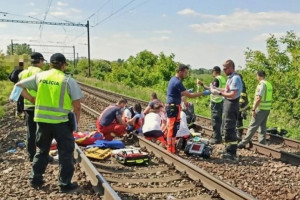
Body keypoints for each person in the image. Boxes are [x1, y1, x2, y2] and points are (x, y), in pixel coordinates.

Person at [16, 53, 83, 192]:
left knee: (41, 151)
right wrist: (76, 123)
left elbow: (18, 86)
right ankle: (64, 184)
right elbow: (77, 106)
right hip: (61, 123)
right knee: (65, 153)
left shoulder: (40, 76)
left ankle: (35, 180)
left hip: (42, 122)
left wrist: (31, 99)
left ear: (50, 64)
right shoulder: (68, 80)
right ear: (63, 65)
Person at [166, 64, 210, 154]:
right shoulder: (177, 82)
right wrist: (203, 93)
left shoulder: (174, 80)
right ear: (180, 72)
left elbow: (178, 94)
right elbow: (190, 96)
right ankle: (170, 148)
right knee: (172, 128)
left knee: (174, 129)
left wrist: (184, 93)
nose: (186, 74)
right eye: (185, 72)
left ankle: (172, 147)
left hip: (174, 107)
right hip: (173, 107)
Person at [211, 60, 243, 160]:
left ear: (231, 68)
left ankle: (232, 153)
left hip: (232, 104)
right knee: (226, 127)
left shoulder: (236, 78)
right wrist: (216, 89)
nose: (223, 70)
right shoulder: (230, 78)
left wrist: (219, 94)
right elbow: (226, 91)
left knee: (230, 128)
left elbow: (232, 94)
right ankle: (227, 149)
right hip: (228, 104)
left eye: (225, 68)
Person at [18, 52, 45, 162]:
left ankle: (31, 155)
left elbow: (19, 88)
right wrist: (35, 99)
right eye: (43, 61)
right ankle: (41, 155)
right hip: (39, 106)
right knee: (42, 132)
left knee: (31, 131)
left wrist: (29, 98)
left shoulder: (23, 73)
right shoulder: (41, 73)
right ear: (40, 61)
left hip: (28, 106)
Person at [238, 70, 273, 148]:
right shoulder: (269, 84)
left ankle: (243, 143)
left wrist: (253, 109)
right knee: (262, 127)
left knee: (252, 125)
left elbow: (258, 98)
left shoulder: (261, 84)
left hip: (260, 108)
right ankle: (262, 143)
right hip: (267, 109)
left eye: (257, 75)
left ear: (259, 76)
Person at [197, 66, 226, 144]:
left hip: (216, 102)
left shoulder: (217, 79)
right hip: (221, 101)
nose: (212, 73)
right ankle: (219, 136)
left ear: (215, 71)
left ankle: (216, 139)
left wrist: (202, 84)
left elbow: (211, 90)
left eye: (212, 71)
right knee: (219, 120)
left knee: (215, 121)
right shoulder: (223, 78)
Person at [236, 73, 250, 142]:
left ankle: (239, 135)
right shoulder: (240, 83)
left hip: (241, 105)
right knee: (238, 120)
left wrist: (240, 104)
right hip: (240, 104)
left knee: (239, 120)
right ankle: (238, 134)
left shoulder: (241, 83)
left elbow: (242, 94)